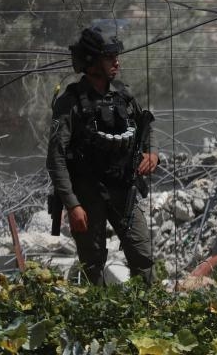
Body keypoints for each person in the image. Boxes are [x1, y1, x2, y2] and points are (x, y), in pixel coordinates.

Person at [47, 25, 159, 285]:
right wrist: (73, 204)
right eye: (110, 57)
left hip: (124, 190)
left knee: (143, 256)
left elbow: (146, 125)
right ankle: (99, 319)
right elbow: (56, 158)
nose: (116, 62)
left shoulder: (123, 94)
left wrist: (152, 153)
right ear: (92, 62)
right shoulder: (70, 102)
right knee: (92, 264)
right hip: (88, 195)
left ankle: (152, 315)